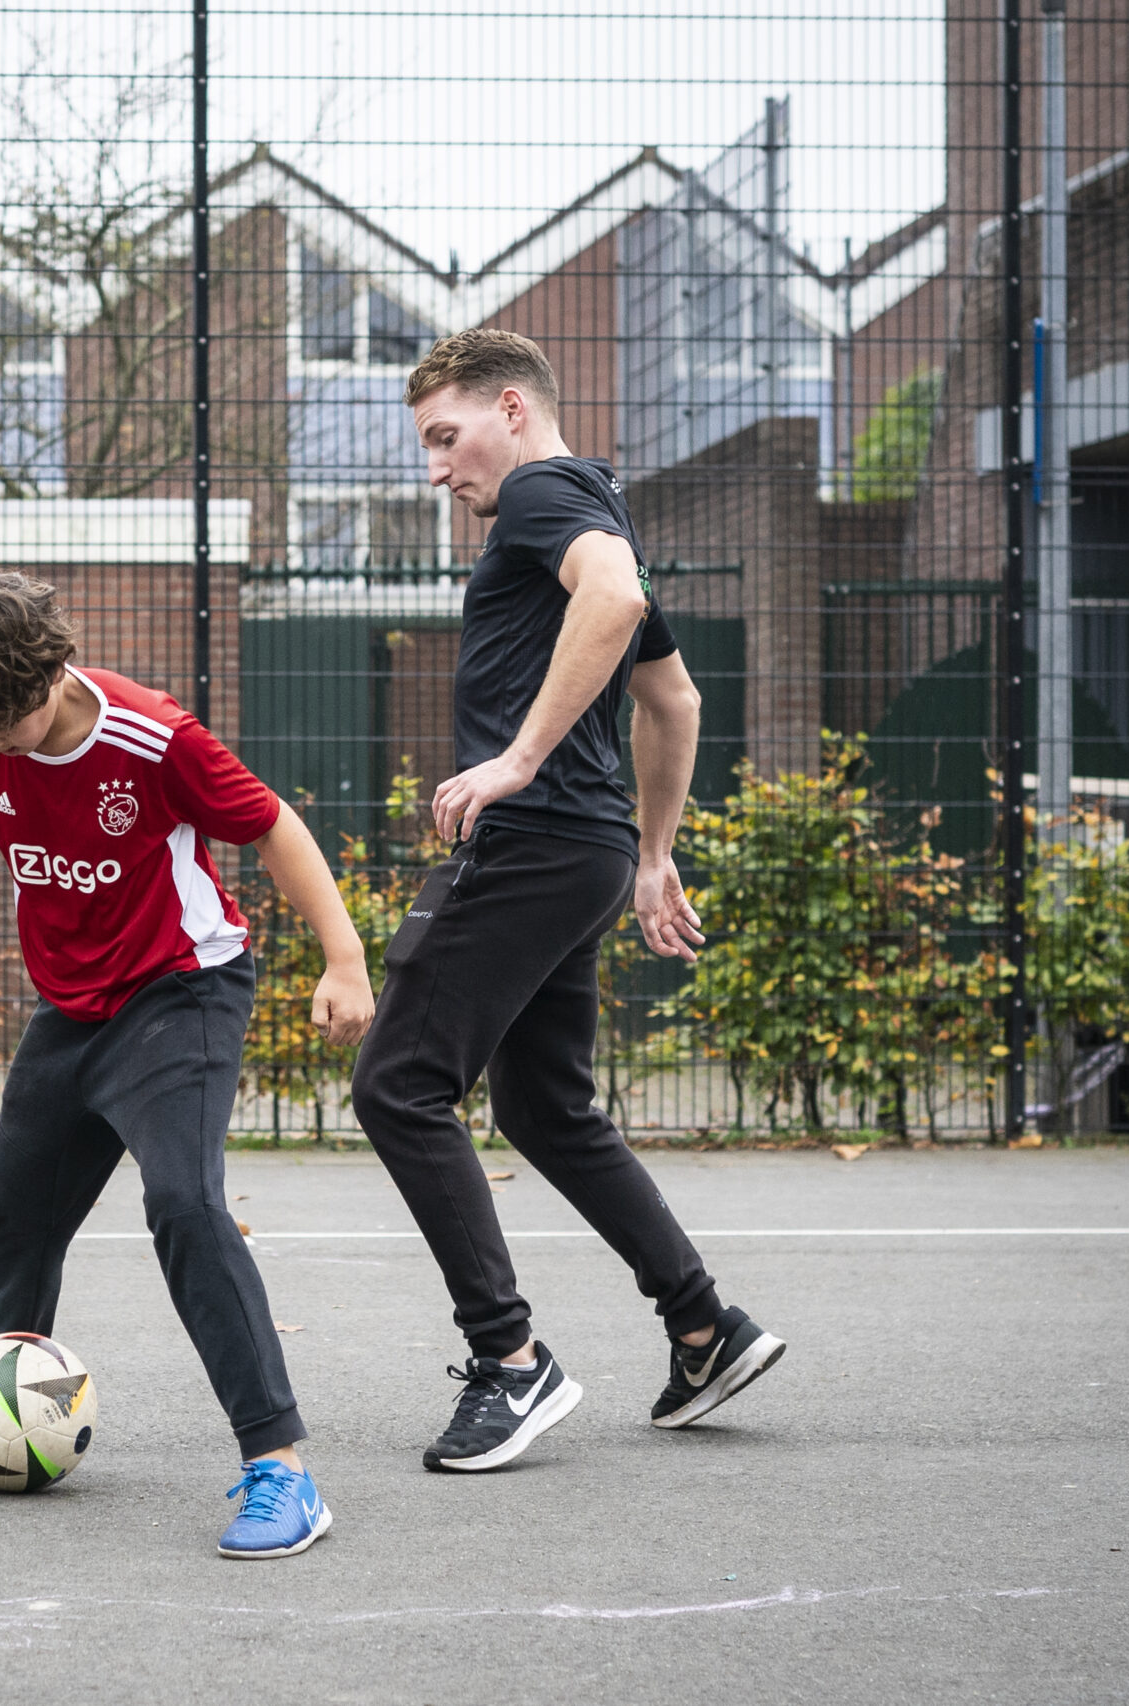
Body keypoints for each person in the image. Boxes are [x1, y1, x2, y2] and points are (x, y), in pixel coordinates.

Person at [0, 568, 374, 1560]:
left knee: (183, 1201)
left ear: (52, 665)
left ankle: (282, 1467)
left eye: (12, 717)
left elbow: (272, 827)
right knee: (14, 1199)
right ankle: (4, 1407)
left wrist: (344, 959)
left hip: (183, 991)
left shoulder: (152, 735)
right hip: (73, 1007)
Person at [350, 328, 786, 1472]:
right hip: (584, 850)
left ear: (510, 406)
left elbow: (616, 597)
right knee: (544, 1107)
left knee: (398, 1084)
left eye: (445, 437)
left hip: (535, 840)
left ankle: (510, 1360)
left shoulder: (544, 495)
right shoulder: (594, 503)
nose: (437, 468)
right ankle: (704, 1328)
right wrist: (647, 855)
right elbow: (675, 699)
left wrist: (520, 757)